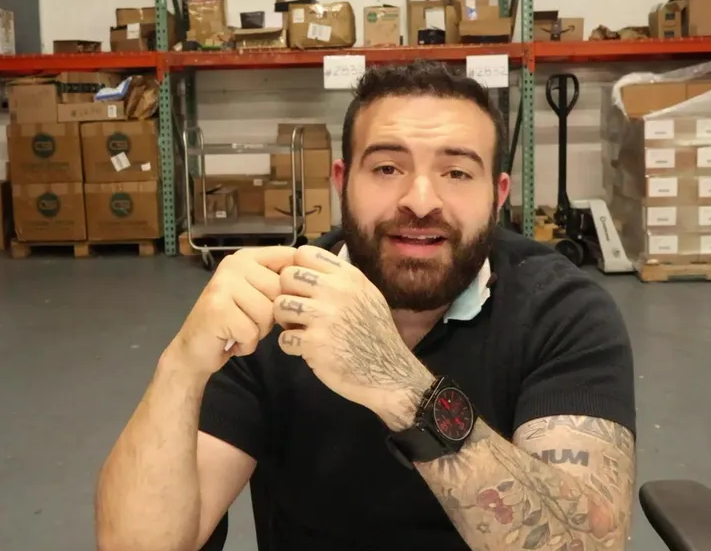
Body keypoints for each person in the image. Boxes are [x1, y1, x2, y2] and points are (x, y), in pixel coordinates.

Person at [96, 62, 636, 551]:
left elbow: (585, 544)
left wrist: (398, 384)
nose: (420, 201)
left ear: (497, 195)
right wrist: (181, 365)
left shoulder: (562, 313)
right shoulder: (270, 305)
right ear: (341, 182)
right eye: (386, 168)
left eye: (456, 172)